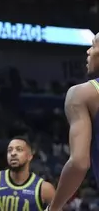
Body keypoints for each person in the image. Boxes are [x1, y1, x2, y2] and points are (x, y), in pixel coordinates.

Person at [47, 32, 99, 211]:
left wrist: (53, 208)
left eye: (93, 45)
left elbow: (79, 163)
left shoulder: (83, 94)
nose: (88, 51)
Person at [0, 137, 55, 211]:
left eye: (19, 149)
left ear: (29, 156)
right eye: (9, 150)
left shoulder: (45, 189)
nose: (13, 153)